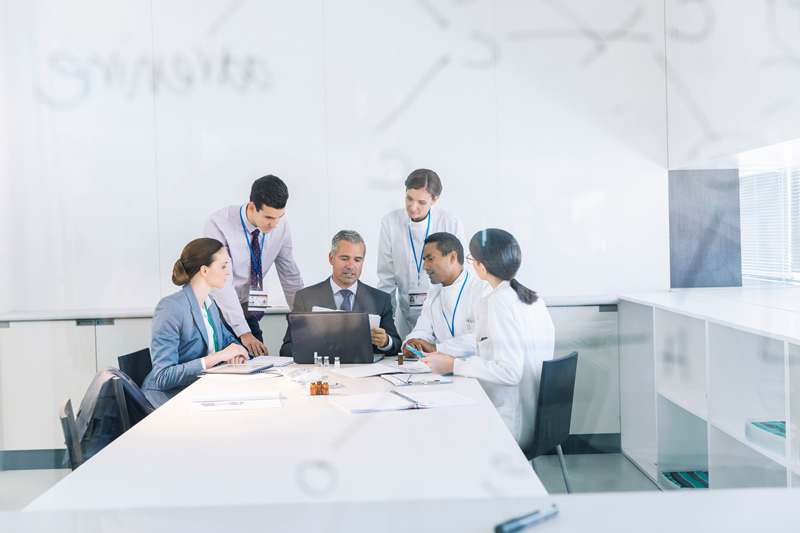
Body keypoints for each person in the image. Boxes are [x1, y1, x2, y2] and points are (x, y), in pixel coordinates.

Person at [421, 229, 555, 450]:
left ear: (481, 266)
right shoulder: (532, 298)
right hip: (536, 418)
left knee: (438, 435)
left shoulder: (499, 301)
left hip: (511, 421)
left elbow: (509, 372)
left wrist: (454, 364)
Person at [143, 238, 250, 408]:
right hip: (169, 400)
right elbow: (164, 376)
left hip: (201, 393)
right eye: (223, 266)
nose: (228, 272)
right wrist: (219, 357)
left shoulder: (209, 304)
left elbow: (230, 343)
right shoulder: (171, 307)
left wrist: (237, 353)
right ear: (205, 270)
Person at [204, 175, 304, 356]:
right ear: (252, 207)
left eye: (279, 217)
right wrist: (244, 333)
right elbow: (222, 284)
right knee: (227, 367)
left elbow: (289, 275)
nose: (274, 225)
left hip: (246, 305)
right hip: (217, 306)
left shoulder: (280, 227)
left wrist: (304, 318)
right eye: (268, 217)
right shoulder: (218, 224)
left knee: (260, 361)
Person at [280, 230, 400, 357]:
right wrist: (312, 344)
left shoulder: (380, 300)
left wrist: (386, 342)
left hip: (363, 373)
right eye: (344, 258)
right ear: (331, 258)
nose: (351, 266)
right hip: (322, 371)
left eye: (357, 260)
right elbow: (286, 349)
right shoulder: (306, 298)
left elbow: (397, 345)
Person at [377, 169, 466, 340]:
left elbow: (460, 276)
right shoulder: (390, 222)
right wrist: (386, 323)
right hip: (404, 316)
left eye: (421, 202)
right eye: (409, 198)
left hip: (445, 316)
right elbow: (386, 281)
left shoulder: (450, 222)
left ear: (434, 200)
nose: (413, 207)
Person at [403, 232, 489, 359]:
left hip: (477, 375)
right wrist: (412, 344)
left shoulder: (483, 289)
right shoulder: (433, 297)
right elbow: (421, 331)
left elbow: (482, 340)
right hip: (442, 372)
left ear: (452, 257)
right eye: (424, 260)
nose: (425, 266)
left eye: (430, 259)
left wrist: (435, 348)